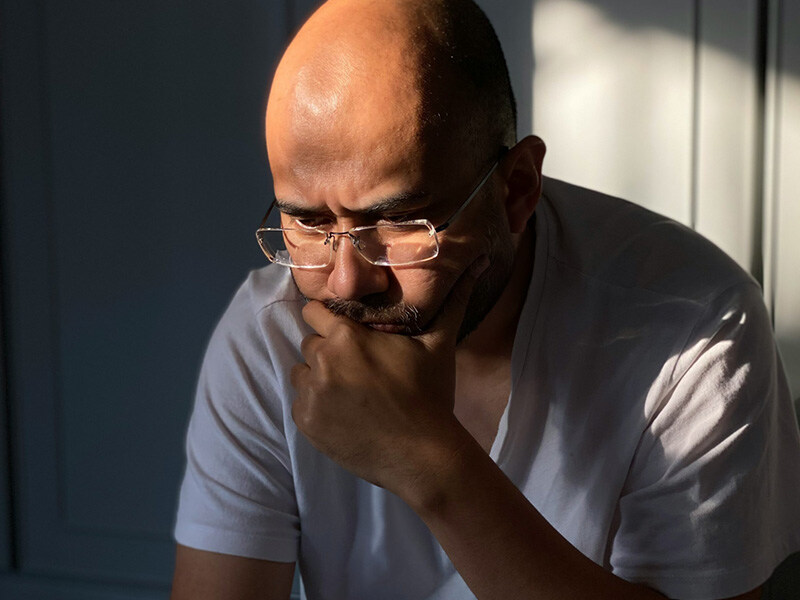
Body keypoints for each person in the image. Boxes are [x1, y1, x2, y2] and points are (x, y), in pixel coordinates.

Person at [170, 0, 800, 598]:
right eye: (307, 222)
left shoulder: (696, 330)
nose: (346, 281)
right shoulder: (268, 335)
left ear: (518, 189)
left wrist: (434, 467)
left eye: (399, 223)